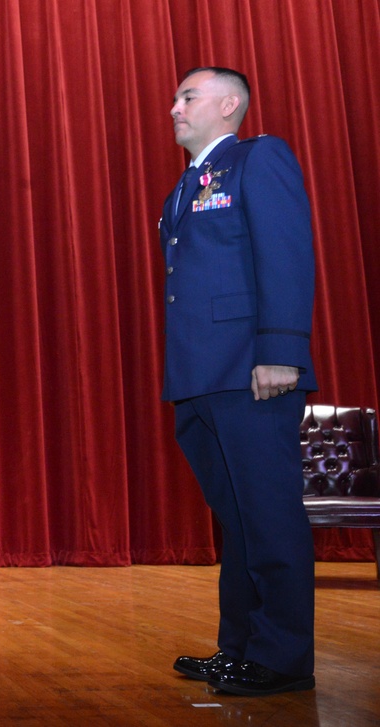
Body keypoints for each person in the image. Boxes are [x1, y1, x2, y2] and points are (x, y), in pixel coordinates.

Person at [160, 67, 316, 696]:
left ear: (229, 105)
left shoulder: (260, 158)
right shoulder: (186, 183)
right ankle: (240, 647)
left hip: (253, 371)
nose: (174, 107)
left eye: (187, 96)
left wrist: (281, 350)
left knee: (269, 516)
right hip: (201, 375)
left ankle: (282, 658)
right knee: (238, 519)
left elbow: (286, 251)